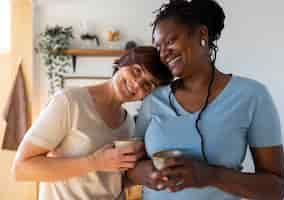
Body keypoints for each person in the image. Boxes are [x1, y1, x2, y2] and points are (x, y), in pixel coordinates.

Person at [127, 0, 284, 199]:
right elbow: (130, 167)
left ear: (202, 35)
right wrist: (145, 174)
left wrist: (211, 176)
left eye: (170, 41)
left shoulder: (252, 96)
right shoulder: (153, 99)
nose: (163, 53)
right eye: (159, 47)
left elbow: (276, 188)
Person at [11, 46, 173, 200]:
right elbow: (21, 169)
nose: (137, 84)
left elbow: (108, 183)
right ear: (123, 62)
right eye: (137, 71)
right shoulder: (69, 102)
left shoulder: (128, 123)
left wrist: (143, 177)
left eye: (148, 84)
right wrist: (95, 162)